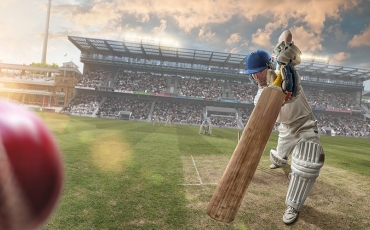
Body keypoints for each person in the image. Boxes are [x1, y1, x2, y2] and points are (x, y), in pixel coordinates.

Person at [244, 44, 325, 224]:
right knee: (281, 157)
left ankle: (293, 206)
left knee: (308, 164)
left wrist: (288, 56)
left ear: (270, 66)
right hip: (285, 129)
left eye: (260, 71)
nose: (256, 76)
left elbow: (287, 37)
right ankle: (279, 158)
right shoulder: (259, 96)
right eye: (253, 73)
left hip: (305, 124)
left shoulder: (287, 74)